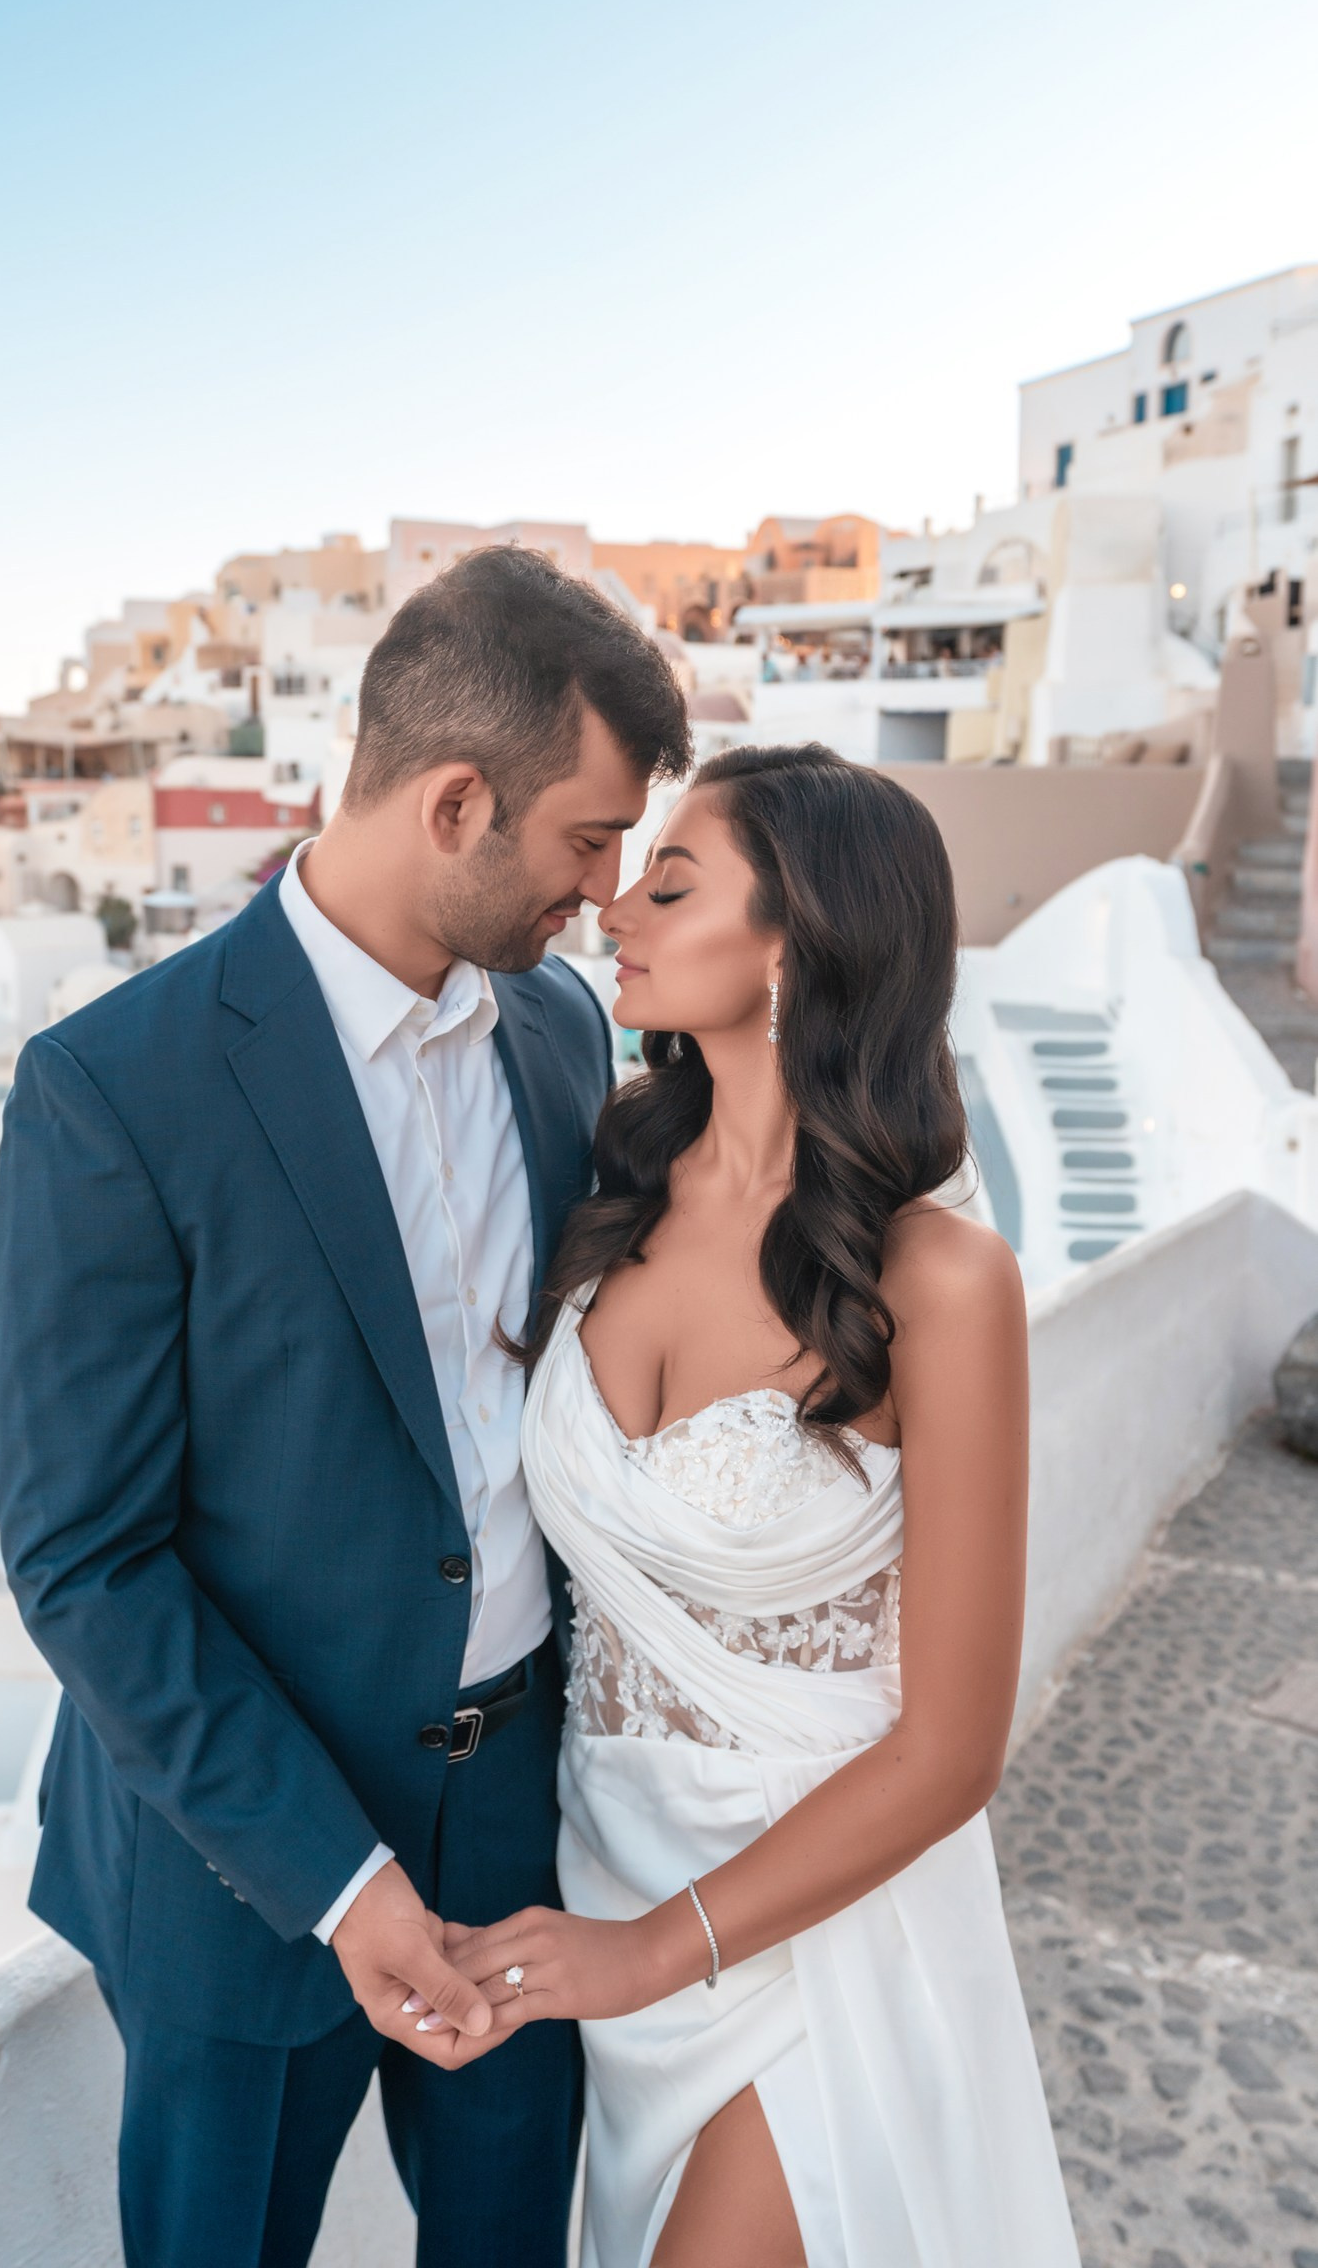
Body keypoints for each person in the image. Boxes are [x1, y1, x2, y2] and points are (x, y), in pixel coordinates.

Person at [0, 546, 691, 2268]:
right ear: (457, 802)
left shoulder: (554, 1035)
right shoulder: (113, 1090)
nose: (605, 895)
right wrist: (341, 1883)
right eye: (589, 840)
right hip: (248, 1878)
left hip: (527, 1828)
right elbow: (85, 1561)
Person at [439, 743, 1080, 2267]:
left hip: (814, 1927)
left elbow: (951, 1751)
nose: (617, 910)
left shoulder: (940, 1282)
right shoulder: (612, 1193)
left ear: (797, 939)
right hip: (603, 1866)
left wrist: (652, 1953)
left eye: (670, 882)